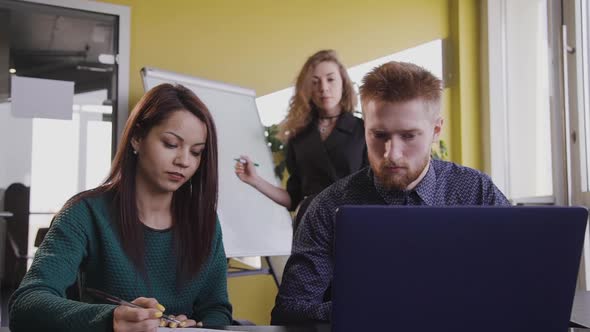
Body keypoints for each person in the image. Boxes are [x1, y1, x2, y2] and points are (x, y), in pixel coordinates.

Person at [271, 61, 510, 324]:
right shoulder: (329, 207)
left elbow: (518, 282)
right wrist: (367, 310)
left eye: (408, 136)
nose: (392, 154)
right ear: (365, 129)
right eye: (379, 135)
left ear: (436, 130)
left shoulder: (477, 193)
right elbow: (290, 311)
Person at [9, 84, 232, 331]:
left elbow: (217, 309)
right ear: (137, 138)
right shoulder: (84, 214)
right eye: (170, 144)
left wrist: (196, 325)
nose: (184, 161)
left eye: (197, 152)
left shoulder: (205, 223)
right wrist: (111, 318)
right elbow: (26, 304)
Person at [235, 50, 367, 229]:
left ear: (343, 82)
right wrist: (255, 180)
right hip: (310, 227)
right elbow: (293, 198)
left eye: (330, 79)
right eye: (315, 82)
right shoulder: (298, 136)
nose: (323, 88)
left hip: (353, 225)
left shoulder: (364, 130)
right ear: (307, 89)